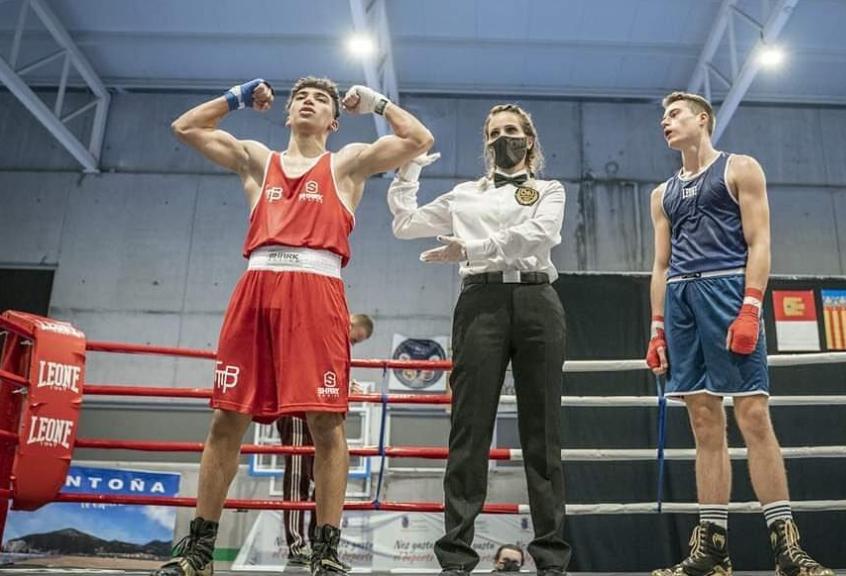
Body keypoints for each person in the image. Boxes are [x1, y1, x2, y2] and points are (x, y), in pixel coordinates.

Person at [156, 77, 432, 576]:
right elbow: (185, 126)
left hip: (318, 290)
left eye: (320, 99)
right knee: (226, 419)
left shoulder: (345, 162)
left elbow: (418, 140)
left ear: (334, 120)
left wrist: (376, 101)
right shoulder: (260, 160)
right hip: (257, 286)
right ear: (286, 114)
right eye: (299, 97)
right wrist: (239, 96)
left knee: (326, 423)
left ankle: (326, 553)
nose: (307, 101)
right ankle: (198, 552)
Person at [646, 92, 831, 576]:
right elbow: (660, 264)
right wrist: (657, 327)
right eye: (663, 117)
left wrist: (751, 306)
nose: (666, 122)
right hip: (682, 299)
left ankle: (786, 548)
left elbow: (760, 241)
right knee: (704, 423)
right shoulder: (660, 194)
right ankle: (712, 551)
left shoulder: (741, 168)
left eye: (675, 114)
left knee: (752, 415)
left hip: (729, 290)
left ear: (702, 119)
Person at [387, 104, 571, 576]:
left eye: (511, 130)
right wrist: (408, 167)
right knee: (468, 430)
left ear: (529, 139)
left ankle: (551, 558)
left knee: (542, 432)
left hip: (537, 300)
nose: (501, 138)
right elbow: (405, 224)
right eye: (493, 133)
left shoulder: (549, 189)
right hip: (480, 303)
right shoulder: (464, 195)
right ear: (485, 143)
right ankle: (456, 557)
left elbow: (539, 235)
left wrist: (471, 246)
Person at [279, 314, 374, 568]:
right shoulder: (320, 326)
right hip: (299, 404)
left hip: (320, 403)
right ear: (350, 322)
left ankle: (318, 544)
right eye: (354, 339)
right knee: (298, 476)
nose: (352, 344)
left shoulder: (334, 343)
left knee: (321, 478)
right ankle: (296, 546)